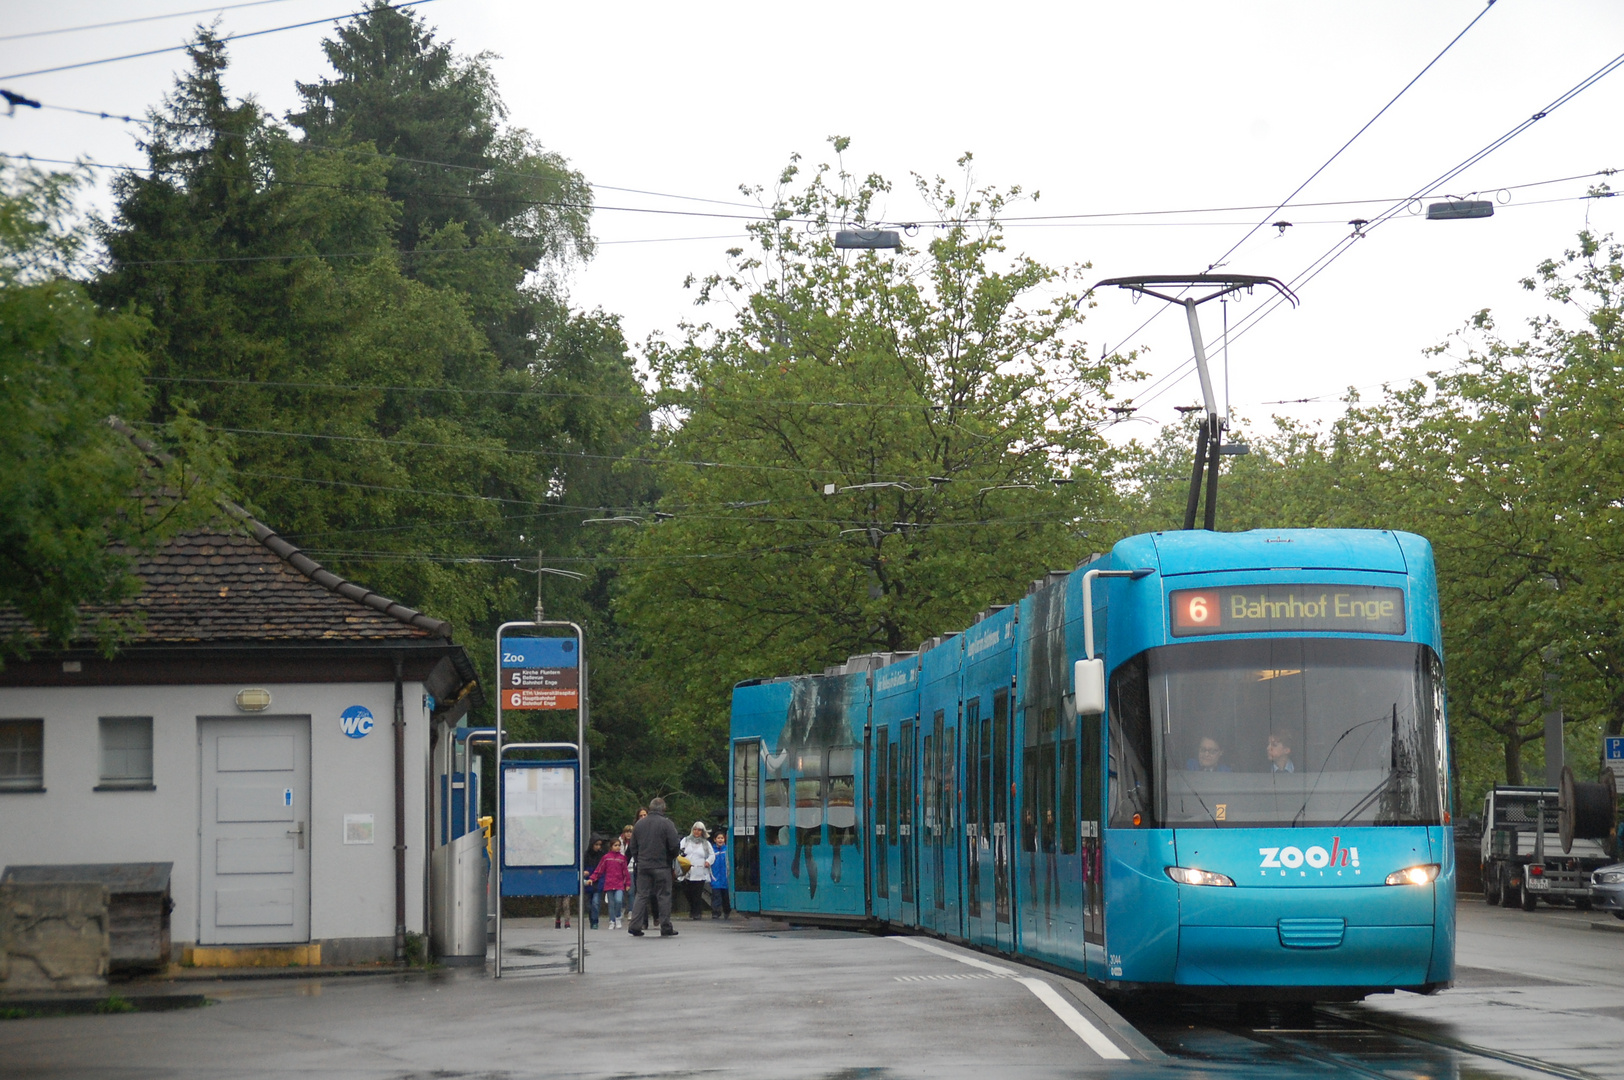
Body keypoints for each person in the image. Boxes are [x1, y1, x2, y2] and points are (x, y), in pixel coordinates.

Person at [625, 797, 681, 937]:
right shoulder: (667, 824)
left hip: (643, 865)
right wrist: (670, 858)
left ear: (650, 808)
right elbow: (675, 845)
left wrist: (639, 859)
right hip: (662, 866)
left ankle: (635, 925)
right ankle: (665, 926)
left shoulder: (639, 825)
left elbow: (632, 846)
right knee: (664, 896)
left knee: (641, 895)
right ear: (663, 809)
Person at [587, 837, 631, 929]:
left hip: (619, 884)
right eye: (615, 845)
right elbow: (599, 870)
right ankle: (612, 920)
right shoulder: (606, 858)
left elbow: (625, 872)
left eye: (619, 845)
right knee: (611, 903)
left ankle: (618, 916)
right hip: (609, 884)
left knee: (618, 901)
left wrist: (627, 883)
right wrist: (592, 878)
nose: (618, 847)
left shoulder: (622, 858)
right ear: (611, 847)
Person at [679, 821, 715, 920]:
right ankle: (693, 909)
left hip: (699, 871)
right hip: (686, 871)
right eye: (695, 829)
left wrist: (708, 861)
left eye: (699, 830)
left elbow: (712, 855)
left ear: (702, 831)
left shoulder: (706, 843)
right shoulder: (685, 841)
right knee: (687, 892)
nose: (696, 832)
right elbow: (678, 851)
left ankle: (697, 912)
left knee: (697, 893)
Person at [582, 837, 606, 929]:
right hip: (588, 882)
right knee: (588, 904)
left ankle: (595, 921)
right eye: (596, 845)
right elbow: (582, 867)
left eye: (600, 845)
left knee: (595, 902)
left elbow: (603, 869)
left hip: (598, 881)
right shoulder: (586, 855)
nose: (598, 847)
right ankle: (592, 919)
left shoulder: (602, 856)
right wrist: (584, 872)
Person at [710, 830, 731, 920]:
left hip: (725, 878)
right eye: (718, 838)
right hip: (715, 877)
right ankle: (715, 912)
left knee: (726, 896)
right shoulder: (711, 851)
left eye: (722, 838)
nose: (720, 840)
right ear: (715, 839)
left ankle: (727, 911)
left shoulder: (727, 850)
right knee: (716, 896)